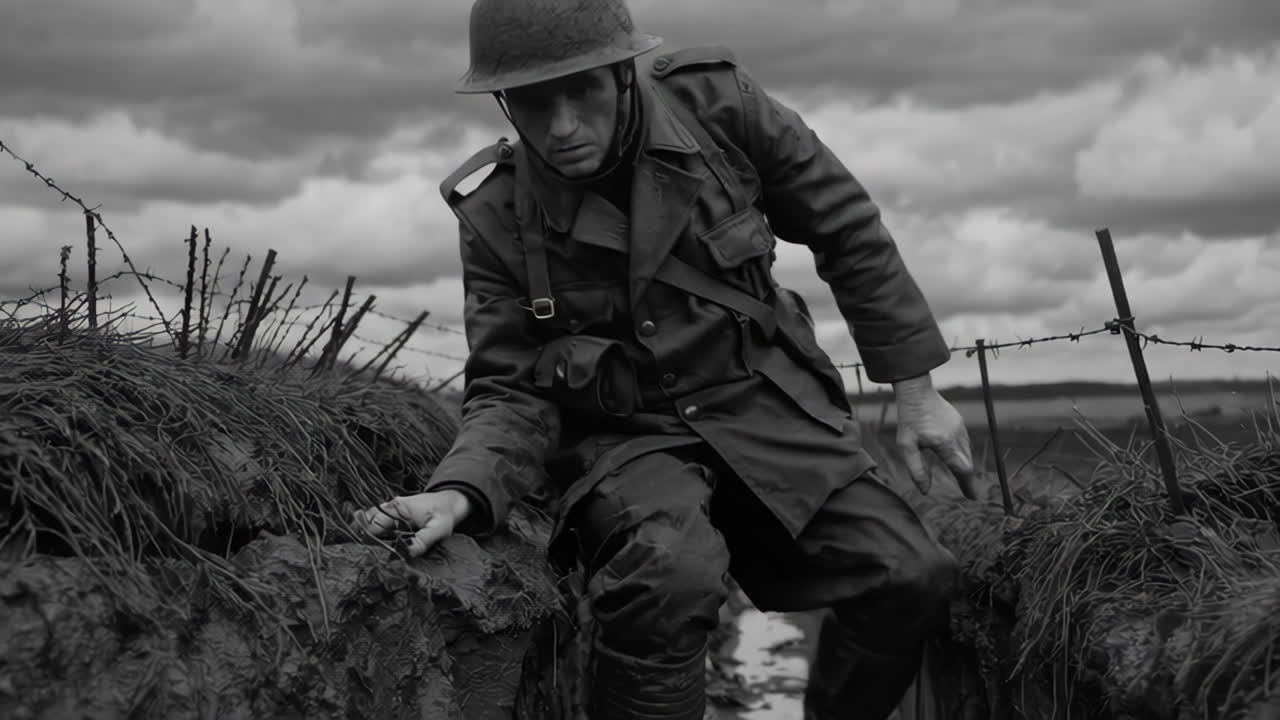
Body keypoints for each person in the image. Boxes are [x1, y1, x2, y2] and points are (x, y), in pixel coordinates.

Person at [354, 0, 982, 717]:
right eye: (532, 101)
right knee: (667, 579)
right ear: (503, 101)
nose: (561, 127)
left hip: (759, 402)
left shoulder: (718, 107)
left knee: (909, 575)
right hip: (626, 441)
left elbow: (846, 227)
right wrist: (462, 489)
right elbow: (510, 387)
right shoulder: (497, 212)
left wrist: (915, 389)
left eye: (582, 91)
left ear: (622, 74)